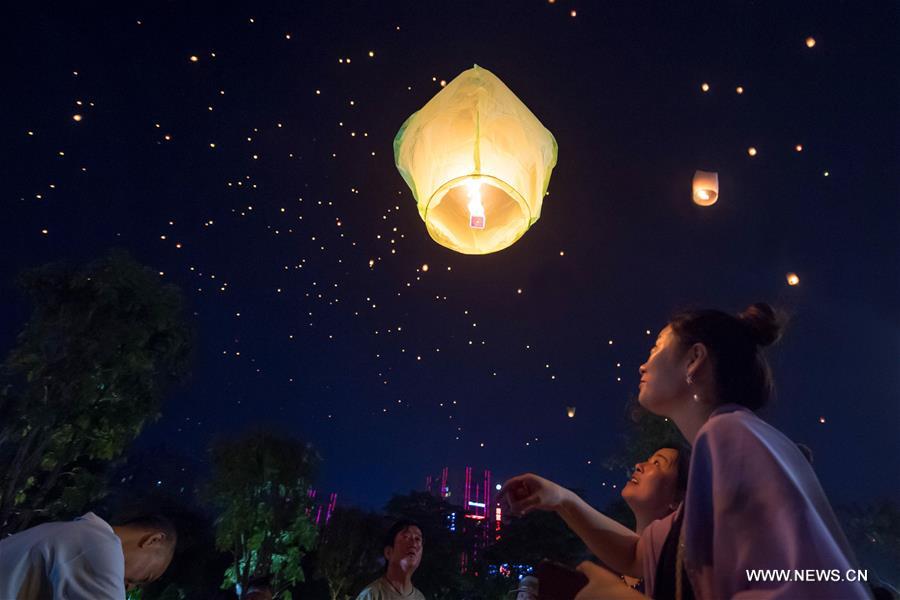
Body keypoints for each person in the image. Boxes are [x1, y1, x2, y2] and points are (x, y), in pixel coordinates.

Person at [503, 303, 869, 599]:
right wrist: (562, 499)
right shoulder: (724, 450)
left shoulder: (731, 432)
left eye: (657, 348)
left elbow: (799, 584)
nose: (643, 364)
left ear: (694, 359)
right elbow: (638, 555)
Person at [501, 443, 688, 594]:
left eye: (657, 463)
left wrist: (561, 498)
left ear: (680, 497)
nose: (639, 465)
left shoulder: (683, 563)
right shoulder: (606, 558)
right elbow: (633, 555)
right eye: (648, 459)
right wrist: (559, 497)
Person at [0, 511, 177, 598]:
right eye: (144, 578)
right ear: (154, 540)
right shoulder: (102, 546)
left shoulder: (61, 531)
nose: (129, 587)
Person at [356, 520, 426, 600]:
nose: (414, 544)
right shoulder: (371, 595)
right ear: (388, 552)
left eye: (417, 539)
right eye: (406, 537)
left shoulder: (420, 598)